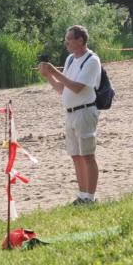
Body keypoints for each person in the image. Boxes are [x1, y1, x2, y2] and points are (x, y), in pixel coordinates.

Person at [40, 25, 102, 203]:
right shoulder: (69, 60)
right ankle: (82, 195)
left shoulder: (92, 60)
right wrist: (48, 76)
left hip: (85, 111)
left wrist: (54, 71)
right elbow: (62, 88)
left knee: (88, 155)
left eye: (69, 39)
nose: (66, 43)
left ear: (80, 40)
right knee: (75, 155)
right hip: (70, 113)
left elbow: (76, 87)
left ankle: (90, 197)